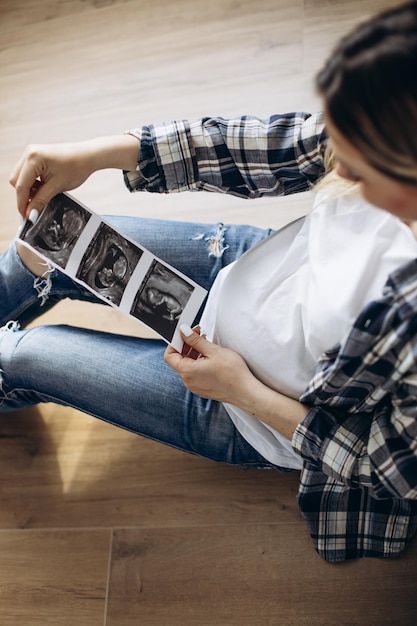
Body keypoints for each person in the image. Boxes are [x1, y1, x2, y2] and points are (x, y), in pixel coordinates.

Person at [3, 0, 417, 563]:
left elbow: (380, 465)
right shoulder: (390, 115)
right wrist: (98, 155)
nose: (333, 167)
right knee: (40, 243)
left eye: (357, 161)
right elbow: (270, 144)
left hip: (243, 410)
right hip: (239, 270)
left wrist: (239, 390)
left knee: (19, 357)